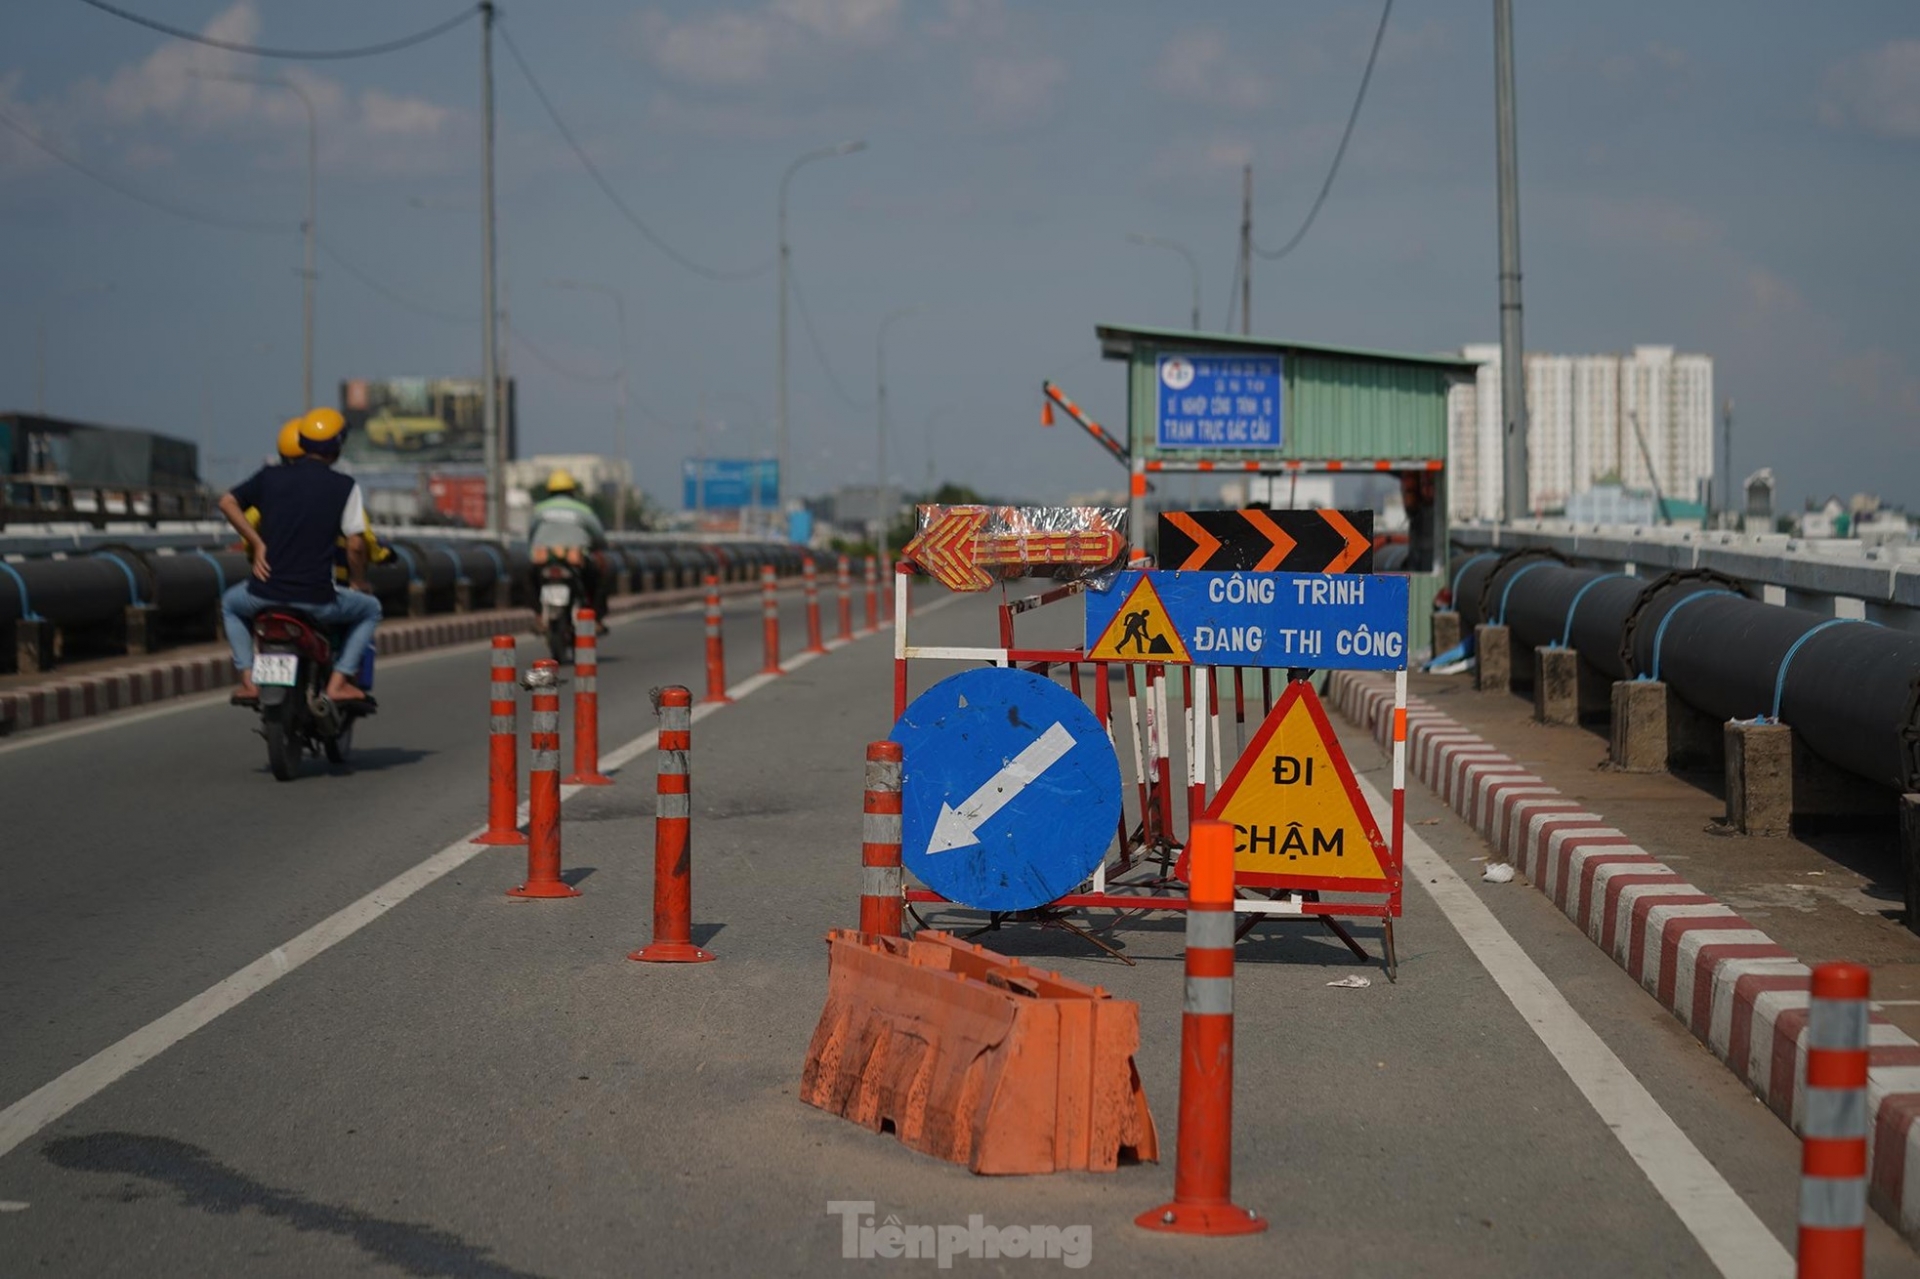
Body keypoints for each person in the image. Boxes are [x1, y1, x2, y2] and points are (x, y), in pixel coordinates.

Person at [218, 407, 382, 707]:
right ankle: (338, 682)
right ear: (337, 446)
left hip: (262, 594)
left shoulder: (269, 477)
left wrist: (257, 543)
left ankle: (248, 679)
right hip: (317, 600)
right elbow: (357, 545)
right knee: (370, 609)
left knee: (230, 604)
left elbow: (227, 501)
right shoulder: (345, 487)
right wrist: (359, 582)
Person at [527, 468, 610, 625]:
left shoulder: (539, 510)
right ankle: (596, 618)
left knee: (529, 579)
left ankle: (538, 615)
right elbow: (598, 536)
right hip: (575, 558)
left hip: (544, 558)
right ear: (572, 491)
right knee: (598, 578)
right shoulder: (583, 510)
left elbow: (531, 535)